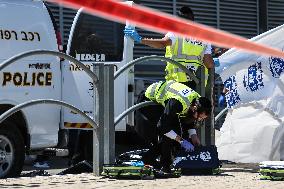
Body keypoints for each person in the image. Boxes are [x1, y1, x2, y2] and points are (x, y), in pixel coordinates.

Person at [124, 6, 214, 90]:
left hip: (175, 81)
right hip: (193, 82)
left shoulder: (176, 32)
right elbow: (209, 64)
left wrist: (140, 39)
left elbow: (162, 43)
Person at [139, 80, 212, 173]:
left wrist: (193, 135)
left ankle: (163, 162)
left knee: (175, 133)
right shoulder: (178, 103)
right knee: (171, 133)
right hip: (149, 100)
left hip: (165, 101)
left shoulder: (197, 100)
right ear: (194, 108)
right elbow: (163, 126)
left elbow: (188, 118)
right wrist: (181, 141)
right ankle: (156, 161)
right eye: (200, 117)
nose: (200, 120)